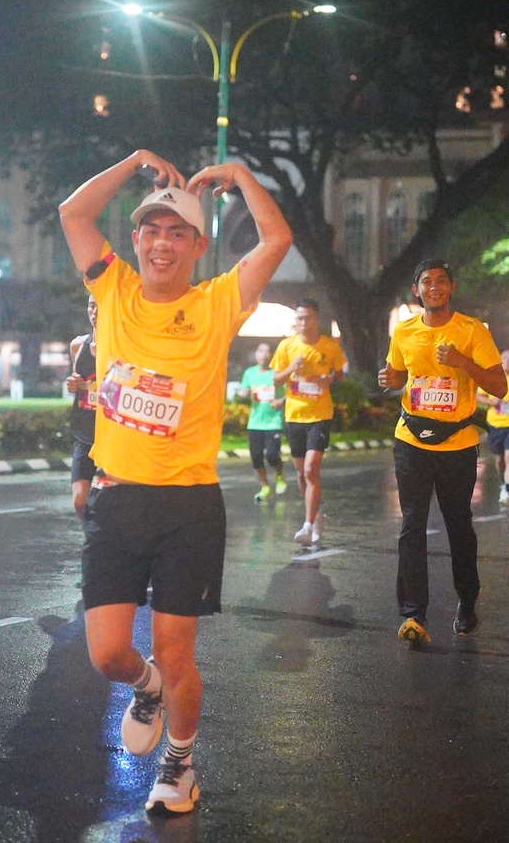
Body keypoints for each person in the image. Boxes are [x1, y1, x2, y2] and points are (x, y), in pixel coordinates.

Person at [58, 149, 291, 815]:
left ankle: (180, 764)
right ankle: (147, 687)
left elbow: (276, 239)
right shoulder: (112, 290)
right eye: (152, 230)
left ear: (197, 246)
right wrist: (133, 160)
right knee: (109, 655)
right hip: (117, 498)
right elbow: (73, 213)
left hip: (189, 506)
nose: (162, 242)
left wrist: (240, 176)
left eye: (177, 233)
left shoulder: (220, 302)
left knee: (176, 651)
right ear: (135, 241)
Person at [378, 259, 506, 644]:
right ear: (416, 290)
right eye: (426, 282)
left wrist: (462, 362)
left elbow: (499, 386)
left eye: (440, 281)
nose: (433, 287)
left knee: (458, 525)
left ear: (451, 288)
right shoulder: (404, 331)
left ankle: (467, 601)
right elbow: (398, 374)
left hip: (458, 443)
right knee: (412, 524)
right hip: (411, 439)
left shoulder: (472, 330)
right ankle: (413, 614)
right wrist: (390, 378)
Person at [270, 300, 346, 546]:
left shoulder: (329, 346)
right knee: (302, 475)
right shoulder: (286, 346)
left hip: (319, 415)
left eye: (308, 318)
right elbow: (276, 380)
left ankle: (307, 525)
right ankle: (315, 514)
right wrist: (291, 368)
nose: (303, 323)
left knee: (311, 469)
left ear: (317, 319)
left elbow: (339, 375)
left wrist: (329, 378)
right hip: (294, 416)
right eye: (300, 318)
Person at [237, 342, 287, 501]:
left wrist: (280, 401)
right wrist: (243, 393)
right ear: (256, 354)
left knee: (272, 455)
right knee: (256, 457)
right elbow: (244, 389)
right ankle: (265, 487)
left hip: (273, 422)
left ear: (272, 355)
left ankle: (279, 475)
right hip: (255, 423)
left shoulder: (277, 373)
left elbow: (290, 392)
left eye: (267, 352)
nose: (264, 355)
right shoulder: (250, 373)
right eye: (260, 351)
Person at [66, 295, 98, 519]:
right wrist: (72, 384)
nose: (95, 312)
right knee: (79, 500)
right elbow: (76, 381)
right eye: (91, 306)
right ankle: (92, 533)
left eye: (100, 307)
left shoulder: (123, 348)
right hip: (85, 435)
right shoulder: (78, 346)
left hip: (113, 437)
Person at [477, 348, 509, 506]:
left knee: (508, 457)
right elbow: (478, 395)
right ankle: (503, 483)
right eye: (505, 358)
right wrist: (492, 402)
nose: (508, 361)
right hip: (496, 425)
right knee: (500, 460)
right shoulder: (493, 378)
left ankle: (507, 489)